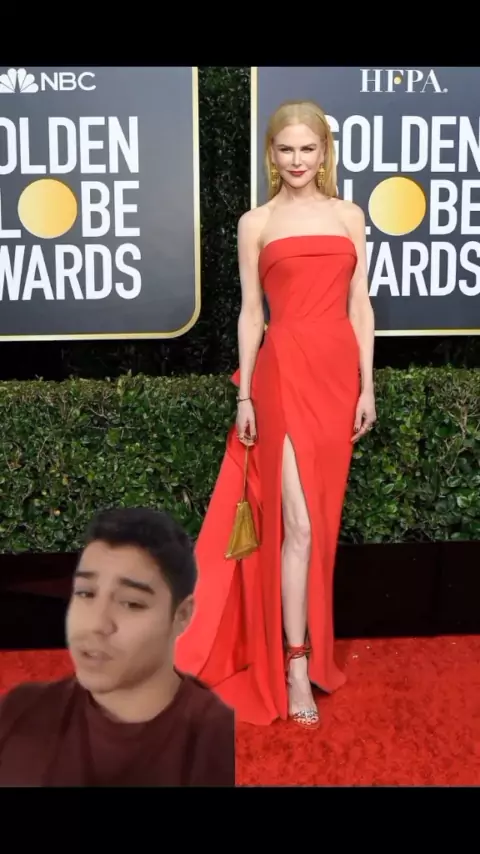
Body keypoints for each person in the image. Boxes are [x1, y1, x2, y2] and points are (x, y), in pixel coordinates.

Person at [175, 99, 376, 729]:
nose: (297, 160)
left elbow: (360, 305)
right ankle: (294, 664)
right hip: (283, 375)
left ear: (324, 152)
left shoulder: (349, 215)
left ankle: (309, 648)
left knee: (321, 523)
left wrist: (367, 387)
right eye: (286, 149)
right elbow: (251, 313)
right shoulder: (255, 223)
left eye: (307, 148)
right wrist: (245, 395)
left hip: (337, 377)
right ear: (272, 153)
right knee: (299, 525)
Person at [0, 507, 235, 786]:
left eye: (131, 603)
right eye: (86, 593)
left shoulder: (206, 735)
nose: (97, 623)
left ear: (181, 615)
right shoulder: (22, 709)